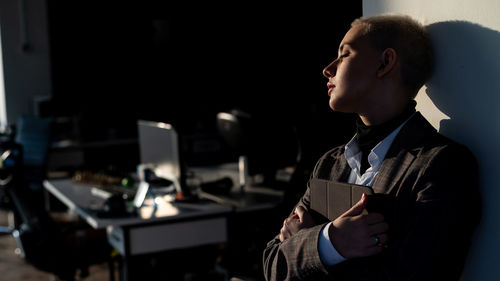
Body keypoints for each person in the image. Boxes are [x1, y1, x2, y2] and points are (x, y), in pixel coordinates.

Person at [263, 14, 481, 281]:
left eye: (345, 54)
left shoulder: (443, 164)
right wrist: (325, 241)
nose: (328, 69)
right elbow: (272, 265)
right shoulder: (330, 163)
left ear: (385, 62)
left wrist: (314, 244)